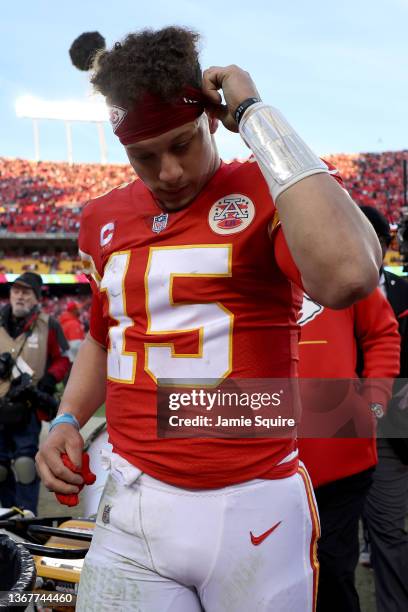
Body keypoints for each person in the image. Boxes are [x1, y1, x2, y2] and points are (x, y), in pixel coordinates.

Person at [36, 27, 382, 611]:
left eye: (182, 144)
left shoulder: (266, 186)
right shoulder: (102, 216)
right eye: (144, 156)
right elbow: (104, 331)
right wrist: (68, 416)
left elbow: (349, 273)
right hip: (133, 497)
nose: (168, 171)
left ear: (208, 117)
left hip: (253, 499)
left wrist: (252, 112)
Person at [297, 287, 400, 612]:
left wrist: (375, 402)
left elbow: (381, 332)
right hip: (250, 460)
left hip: (337, 462)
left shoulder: (340, 255)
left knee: (331, 577)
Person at [359, 206, 408, 612]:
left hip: (394, 429)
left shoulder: (402, 290)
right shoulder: (319, 292)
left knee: (390, 533)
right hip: (332, 426)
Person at [0, 272, 70, 514]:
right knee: (0, 468)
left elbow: (63, 359)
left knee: (25, 464)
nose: (20, 296)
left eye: (26, 292)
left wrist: (46, 383)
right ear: (9, 294)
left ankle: (26, 518)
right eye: (16, 291)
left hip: (27, 407)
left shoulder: (49, 324)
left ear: (36, 297)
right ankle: (6, 515)